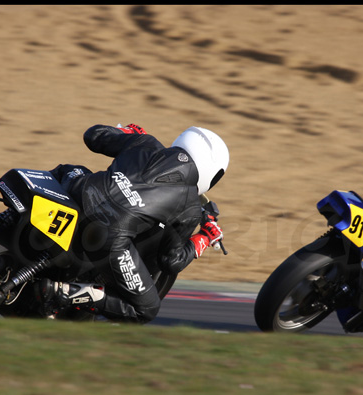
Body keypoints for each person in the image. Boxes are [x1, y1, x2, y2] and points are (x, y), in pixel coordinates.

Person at [35, 123, 229, 323]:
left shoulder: (145, 142)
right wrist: (204, 237)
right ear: (211, 172)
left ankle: (14, 221)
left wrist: (124, 133)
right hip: (107, 236)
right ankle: (63, 292)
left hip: (78, 191)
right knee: (146, 310)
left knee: (71, 169)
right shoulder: (190, 208)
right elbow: (172, 261)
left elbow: (92, 136)